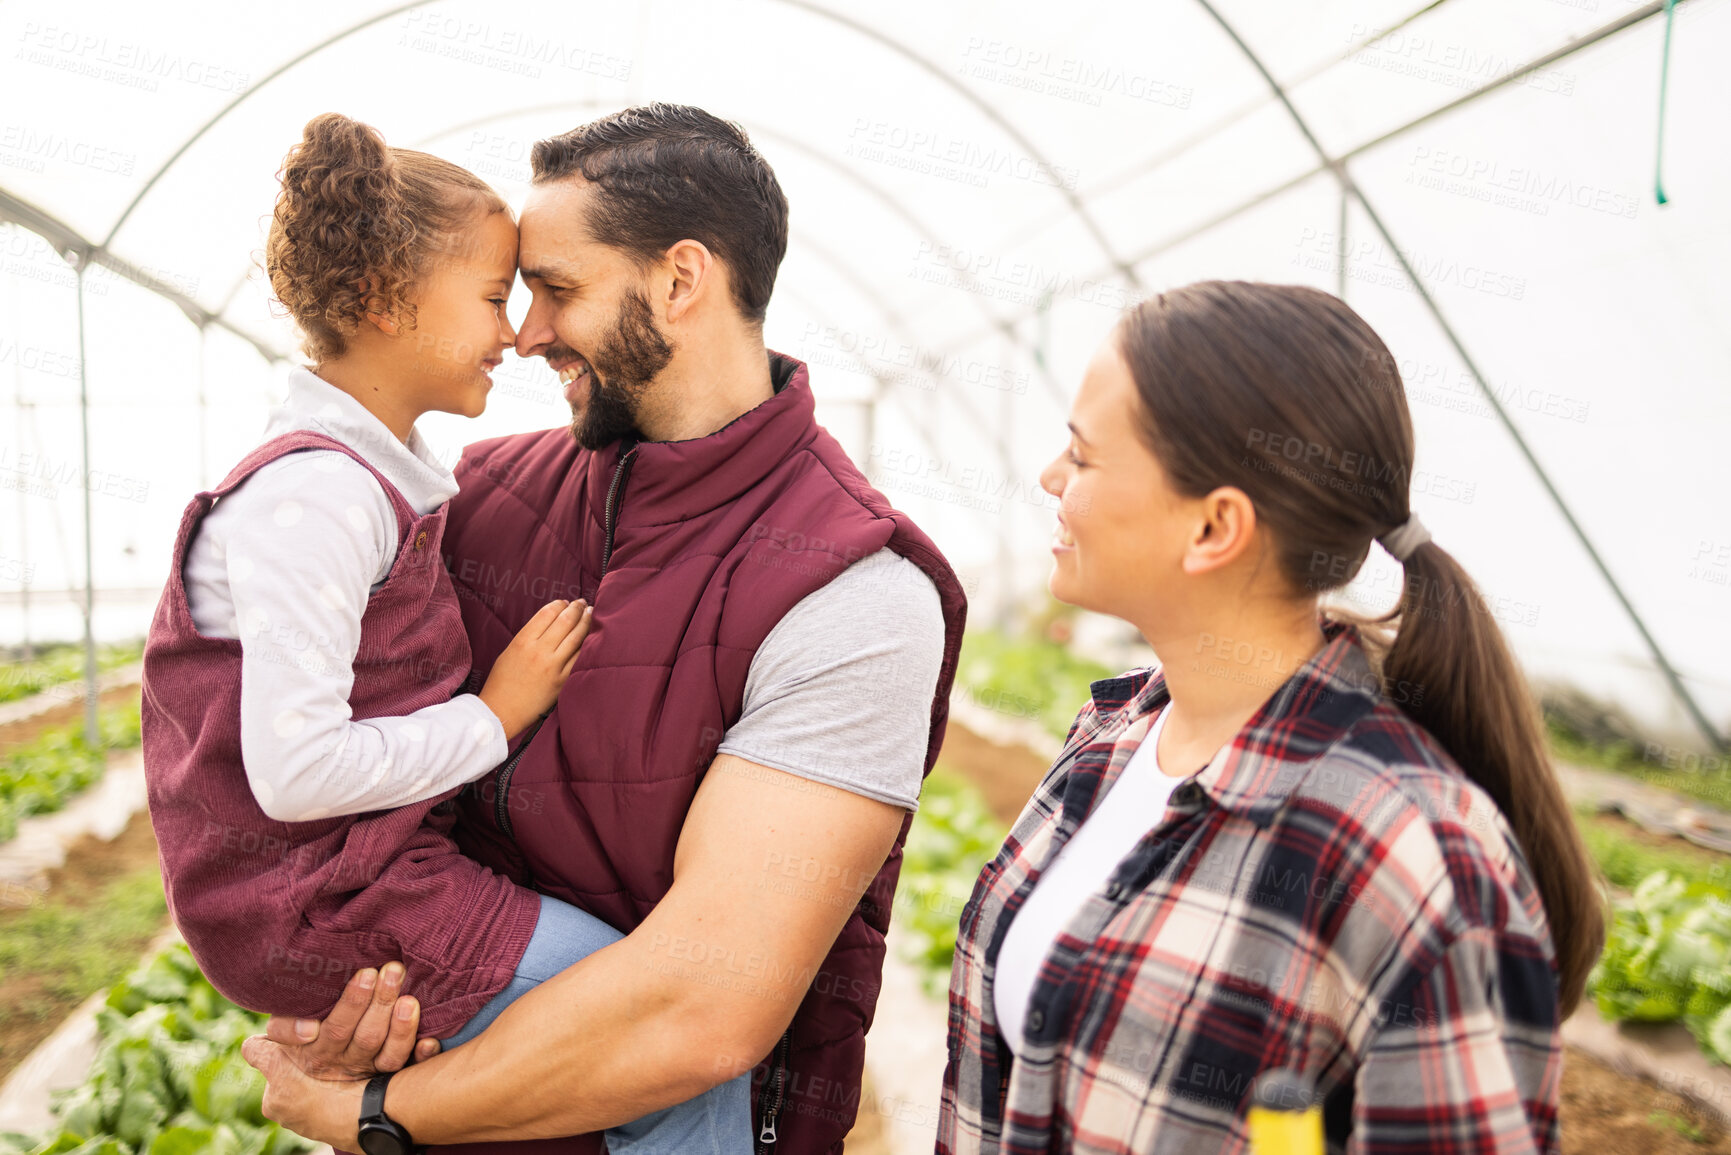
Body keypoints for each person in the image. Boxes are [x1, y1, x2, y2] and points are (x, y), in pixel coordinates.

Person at [239, 103, 968, 1154]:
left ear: (680, 281)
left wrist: (380, 1119)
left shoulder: (855, 594)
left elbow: (698, 1011)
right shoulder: (465, 504)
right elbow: (301, 769)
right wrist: (339, 985)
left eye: (556, 290)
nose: (524, 333)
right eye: (514, 292)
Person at [143, 112, 755, 1154]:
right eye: (489, 297)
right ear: (387, 305)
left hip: (356, 875)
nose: (513, 333)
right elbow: (294, 775)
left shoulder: (369, 479)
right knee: (655, 1043)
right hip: (320, 895)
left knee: (581, 1053)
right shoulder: (318, 497)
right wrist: (496, 713)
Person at [935, 281, 1605, 1154]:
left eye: (1085, 456)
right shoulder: (1113, 738)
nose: (1049, 477)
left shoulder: (1412, 853)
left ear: (1215, 527)